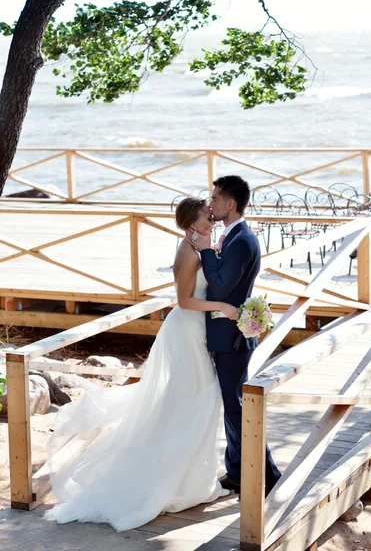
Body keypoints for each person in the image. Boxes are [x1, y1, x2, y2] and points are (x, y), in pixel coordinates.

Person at [43, 197, 238, 532]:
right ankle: (170, 483)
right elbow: (185, 301)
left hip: (194, 330)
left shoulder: (196, 246)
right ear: (193, 225)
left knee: (195, 402)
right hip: (188, 330)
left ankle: (191, 481)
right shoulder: (189, 254)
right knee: (195, 401)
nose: (212, 219)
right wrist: (224, 305)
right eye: (207, 217)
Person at [187, 175, 281, 496]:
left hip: (233, 338)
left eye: (215, 199)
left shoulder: (241, 241)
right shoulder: (232, 236)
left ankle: (267, 475)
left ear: (230, 203)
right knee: (233, 405)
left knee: (237, 407)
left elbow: (221, 286)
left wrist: (205, 252)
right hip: (227, 335)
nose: (210, 203)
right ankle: (238, 471)